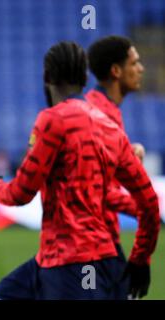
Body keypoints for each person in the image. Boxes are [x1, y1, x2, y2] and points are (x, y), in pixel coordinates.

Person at [0, 42, 160, 300]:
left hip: (70, 264)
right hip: (76, 258)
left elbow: (20, 193)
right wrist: (140, 260)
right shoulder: (111, 127)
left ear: (47, 77)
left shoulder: (52, 120)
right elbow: (148, 202)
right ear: (84, 79)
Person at [86, 35, 151, 298]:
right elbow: (93, 188)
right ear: (116, 71)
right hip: (94, 242)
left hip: (102, 237)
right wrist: (142, 209)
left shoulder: (104, 110)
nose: (141, 68)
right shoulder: (99, 116)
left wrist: (127, 155)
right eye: (134, 62)